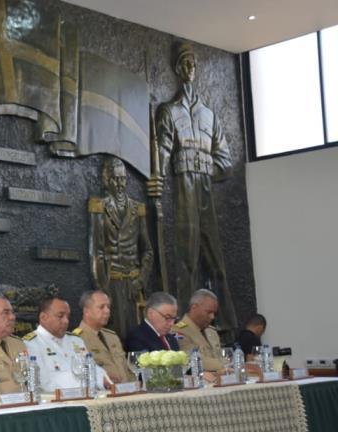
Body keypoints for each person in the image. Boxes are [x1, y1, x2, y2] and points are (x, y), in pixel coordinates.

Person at [156, 41, 238, 330]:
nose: (191, 68)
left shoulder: (209, 116)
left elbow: (225, 162)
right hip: (182, 192)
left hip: (204, 189)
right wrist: (157, 176)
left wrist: (203, 168)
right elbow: (162, 153)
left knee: (216, 260)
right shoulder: (168, 110)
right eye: (186, 63)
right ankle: (182, 324)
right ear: (178, 69)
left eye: (194, 64)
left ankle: (225, 321)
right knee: (186, 260)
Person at [88, 156, 154, 338]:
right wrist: (103, 289)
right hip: (113, 281)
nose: (119, 184)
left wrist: (140, 281)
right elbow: (96, 252)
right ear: (107, 180)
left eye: (122, 179)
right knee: (115, 333)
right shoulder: (99, 206)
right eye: (115, 179)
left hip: (133, 282)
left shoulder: (137, 208)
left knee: (137, 334)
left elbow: (147, 250)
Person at [23, 296, 107, 393]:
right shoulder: (31, 343)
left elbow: (91, 367)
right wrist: (84, 385)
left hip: (87, 395)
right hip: (56, 402)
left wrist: (104, 380)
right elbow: (43, 382)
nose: (66, 321)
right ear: (43, 317)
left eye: (68, 316)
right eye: (60, 316)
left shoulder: (76, 340)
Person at [74, 290, 134, 383]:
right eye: (101, 307)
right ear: (87, 311)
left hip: (126, 392)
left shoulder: (112, 337)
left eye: (108, 307)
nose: (107, 311)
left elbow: (127, 370)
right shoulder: (77, 339)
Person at [175, 289, 224, 373]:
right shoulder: (179, 331)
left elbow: (220, 355)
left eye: (214, 313)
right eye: (209, 312)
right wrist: (227, 364)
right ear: (194, 307)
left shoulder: (211, 331)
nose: (212, 317)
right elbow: (192, 360)